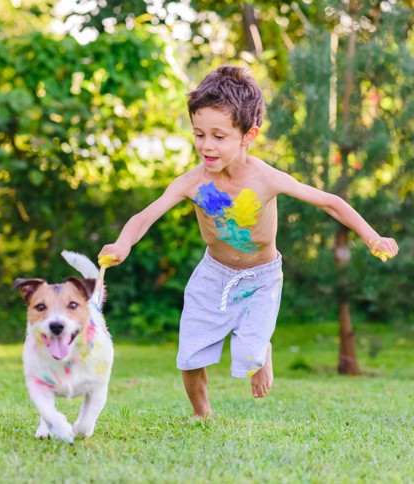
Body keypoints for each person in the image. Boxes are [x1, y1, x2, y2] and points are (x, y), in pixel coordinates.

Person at [98, 65, 398, 419]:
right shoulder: (191, 183)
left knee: (251, 352)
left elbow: (330, 203)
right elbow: (144, 217)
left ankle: (261, 350)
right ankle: (201, 414)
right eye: (199, 134)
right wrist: (122, 244)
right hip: (213, 275)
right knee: (190, 351)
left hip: (262, 278)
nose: (206, 145)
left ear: (248, 135)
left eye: (218, 136)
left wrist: (371, 236)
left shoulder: (266, 178)